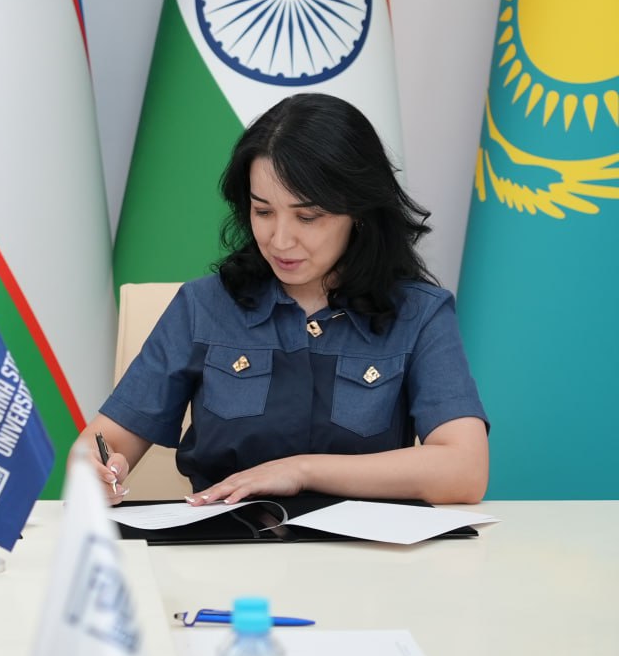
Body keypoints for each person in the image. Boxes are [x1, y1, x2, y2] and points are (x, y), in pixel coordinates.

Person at [82, 93, 488, 506]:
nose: (279, 240)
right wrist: (95, 471)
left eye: (307, 217)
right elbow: (102, 443)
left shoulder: (420, 314)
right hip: (225, 543)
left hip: (365, 546)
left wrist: (300, 470)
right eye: (263, 212)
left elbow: (465, 470)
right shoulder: (202, 307)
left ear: (360, 212)